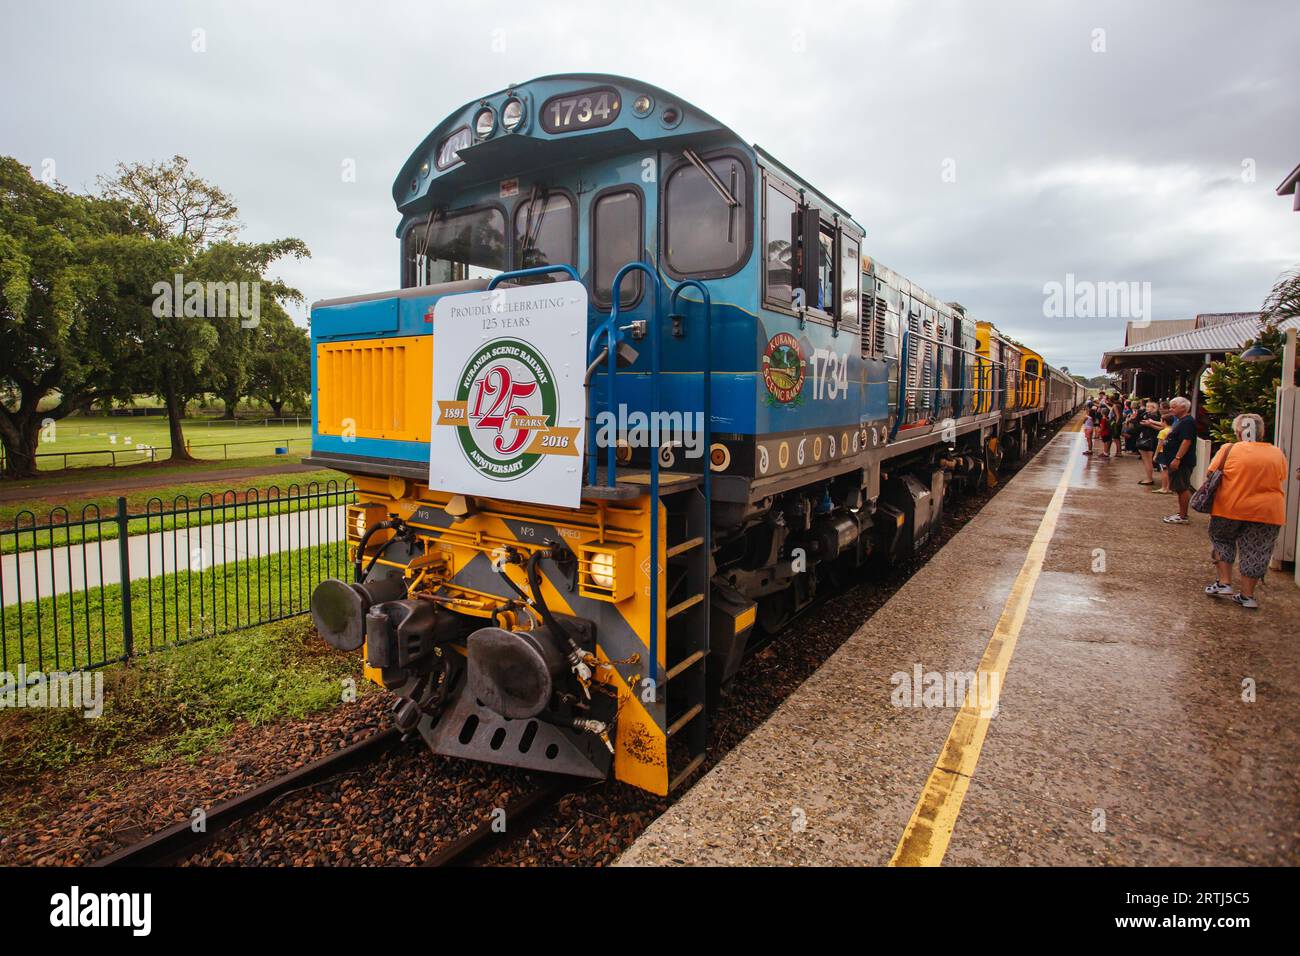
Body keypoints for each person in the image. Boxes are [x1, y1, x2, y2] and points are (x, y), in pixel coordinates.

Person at [1202, 413, 1289, 609]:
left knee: (1222, 540)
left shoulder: (1229, 449)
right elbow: (1281, 477)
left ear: (1238, 431)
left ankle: (1224, 582)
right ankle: (1247, 595)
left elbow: (1211, 473)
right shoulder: (1276, 452)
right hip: (1267, 510)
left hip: (1230, 506)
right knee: (1257, 549)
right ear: (1262, 431)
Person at [1160, 396, 1198, 523]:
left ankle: (1183, 516)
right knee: (1179, 487)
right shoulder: (1181, 420)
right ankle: (1181, 513)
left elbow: (1186, 441)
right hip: (1177, 460)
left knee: (1182, 487)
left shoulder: (1187, 422)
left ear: (1183, 407)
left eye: (1174, 406)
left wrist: (1177, 458)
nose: (1171, 409)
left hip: (1182, 462)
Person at [1135, 400, 1161, 485]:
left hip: (1148, 440)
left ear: (1153, 408)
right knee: (1147, 461)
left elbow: (1138, 426)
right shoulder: (1157, 416)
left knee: (1147, 461)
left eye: (1148, 406)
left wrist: (1137, 418)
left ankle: (1149, 478)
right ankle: (1149, 477)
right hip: (1152, 439)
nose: (1146, 408)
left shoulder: (1150, 417)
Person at [1153, 414, 1175, 493]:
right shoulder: (1173, 430)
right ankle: (1168, 488)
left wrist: (1155, 454)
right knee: (1169, 471)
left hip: (1162, 453)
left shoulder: (1162, 432)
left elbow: (1159, 444)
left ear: (1164, 421)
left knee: (1163, 471)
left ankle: (1164, 487)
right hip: (1171, 452)